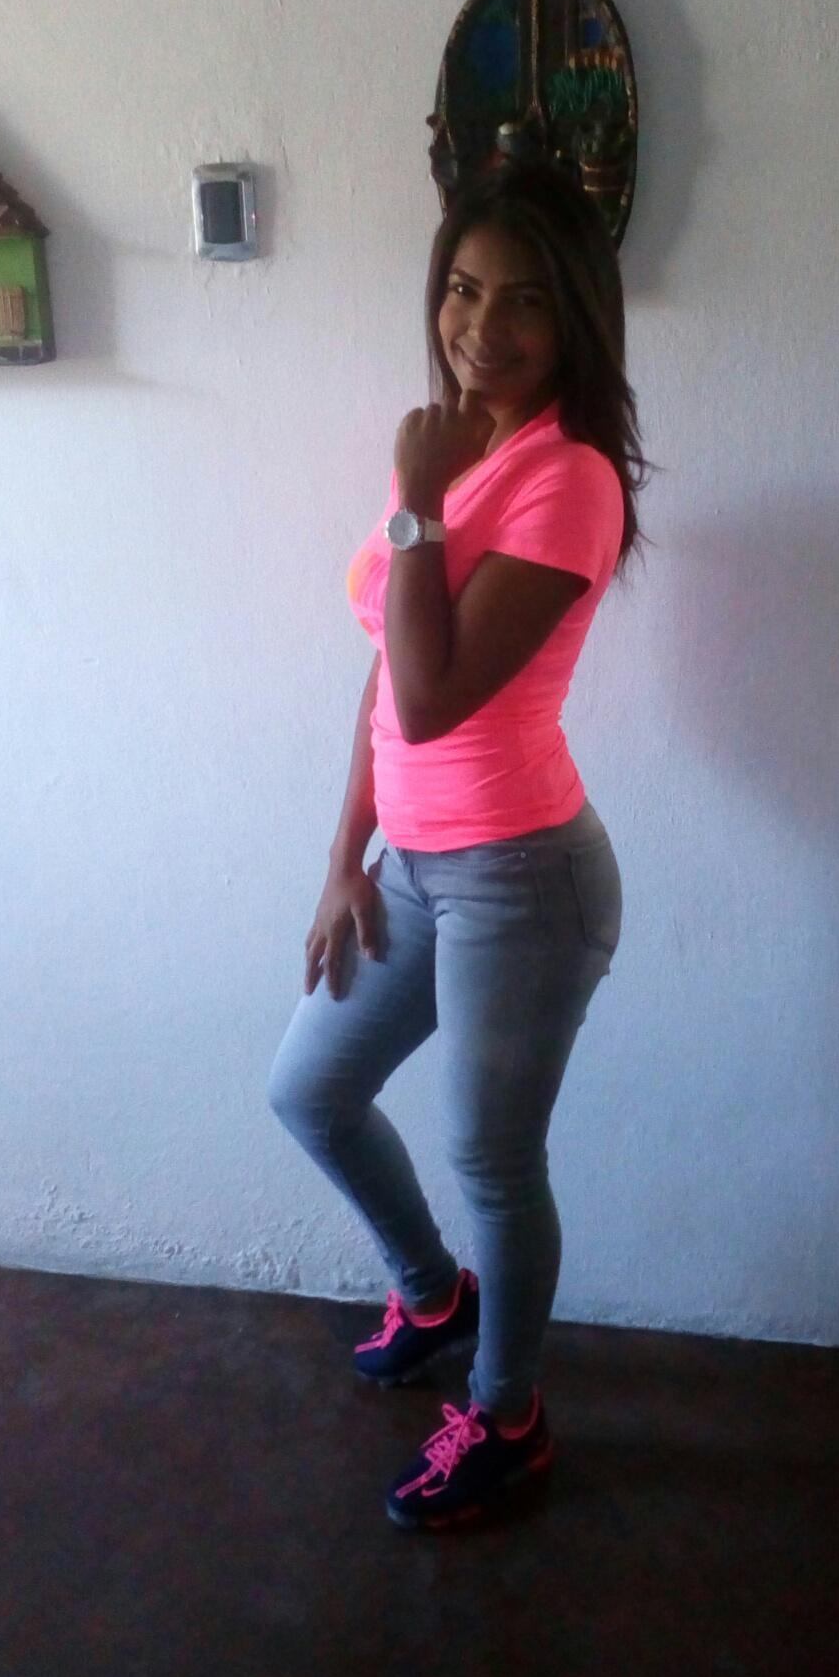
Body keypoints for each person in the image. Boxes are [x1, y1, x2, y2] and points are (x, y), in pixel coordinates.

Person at [268, 161, 646, 1532]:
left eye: (525, 301)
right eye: (465, 291)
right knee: (310, 1093)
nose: (483, 328)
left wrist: (421, 502)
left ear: (576, 317)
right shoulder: (447, 450)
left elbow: (436, 701)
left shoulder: (569, 481)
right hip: (416, 869)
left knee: (492, 1160)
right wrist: (344, 860)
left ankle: (507, 1415)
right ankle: (435, 1296)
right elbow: (387, 674)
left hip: (524, 880)